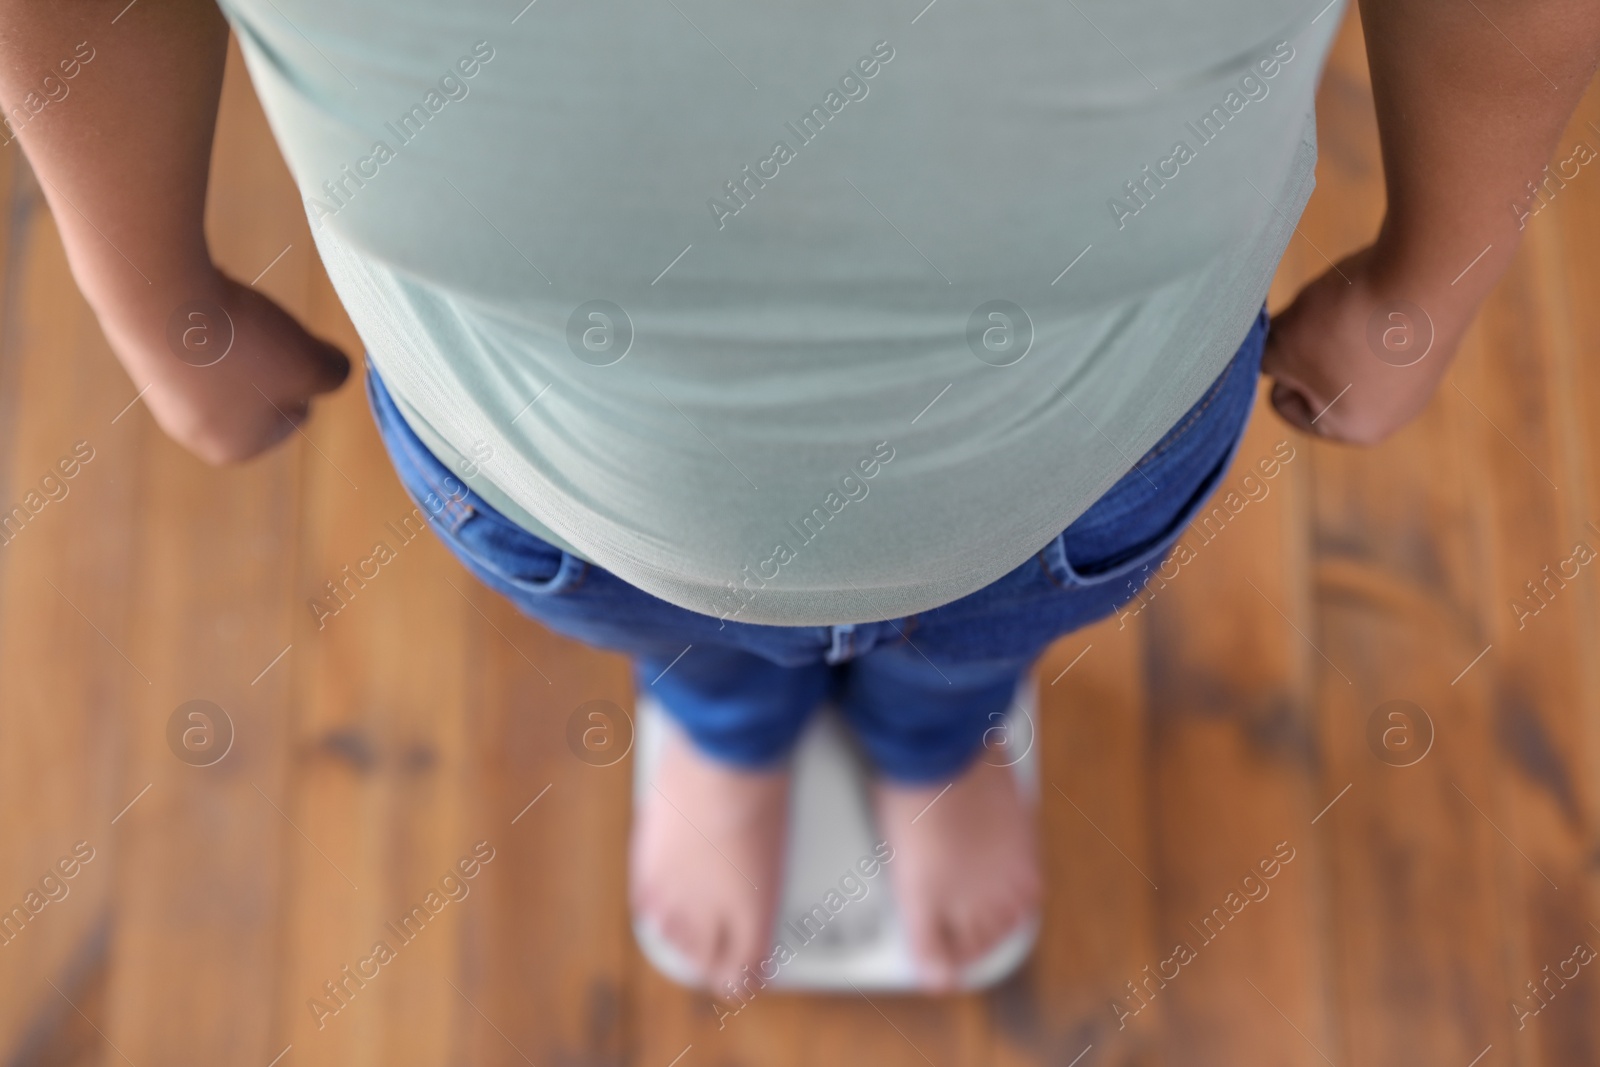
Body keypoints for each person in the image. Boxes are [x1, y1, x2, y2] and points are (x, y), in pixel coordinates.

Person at [2, 0, 1595, 994]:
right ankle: (725, 727)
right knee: (680, 644)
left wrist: (1427, 286)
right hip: (561, 485)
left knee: (973, 653)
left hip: (1072, 462)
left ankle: (931, 737)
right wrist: (152, 299)